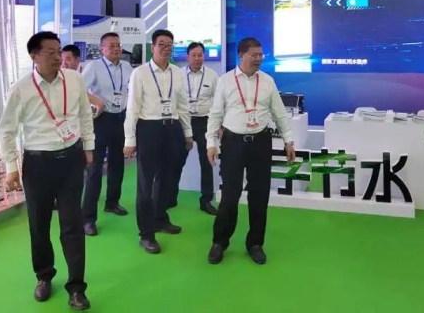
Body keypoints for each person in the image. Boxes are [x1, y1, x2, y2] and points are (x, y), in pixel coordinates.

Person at [0, 31, 94, 310]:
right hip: (37, 164)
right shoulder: (21, 88)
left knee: (72, 225)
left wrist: (88, 147)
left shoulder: (74, 79)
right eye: (50, 52)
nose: (57, 57)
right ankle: (44, 276)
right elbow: (6, 130)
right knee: (39, 225)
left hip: (71, 160)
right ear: (34, 56)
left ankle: (76, 288)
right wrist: (11, 168)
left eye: (59, 51)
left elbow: (84, 114)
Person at [205, 37, 296, 266]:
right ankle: (220, 242)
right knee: (230, 195)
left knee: (259, 194)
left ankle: (255, 243)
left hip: (260, 142)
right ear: (241, 55)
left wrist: (288, 141)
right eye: (254, 55)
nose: (258, 59)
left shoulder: (267, 81)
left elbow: (279, 113)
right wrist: (211, 143)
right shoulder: (225, 81)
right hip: (233, 142)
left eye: (260, 55)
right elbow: (215, 115)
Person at [123, 28, 193, 254]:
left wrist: (187, 133)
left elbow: (183, 105)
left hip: (172, 128)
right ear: (152, 47)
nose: (166, 48)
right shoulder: (140, 73)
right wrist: (130, 139)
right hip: (149, 129)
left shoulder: (177, 73)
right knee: (146, 183)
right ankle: (146, 234)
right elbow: (132, 108)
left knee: (167, 179)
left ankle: (161, 218)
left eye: (169, 45)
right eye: (161, 44)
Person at [81, 32, 133, 236]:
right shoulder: (94, 67)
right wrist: (97, 101)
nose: (116, 48)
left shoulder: (127, 67)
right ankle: (88, 219)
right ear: (102, 49)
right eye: (111, 45)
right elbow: (79, 89)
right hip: (101, 121)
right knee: (95, 170)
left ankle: (112, 203)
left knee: (117, 164)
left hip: (121, 119)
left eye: (118, 45)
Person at [170, 42, 218, 215]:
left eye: (200, 55)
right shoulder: (178, 75)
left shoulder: (212, 76)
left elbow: (218, 102)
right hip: (184, 121)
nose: (197, 59)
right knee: (176, 160)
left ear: (204, 56)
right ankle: (170, 197)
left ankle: (206, 201)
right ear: (187, 57)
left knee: (207, 161)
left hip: (205, 122)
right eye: (194, 55)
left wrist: (218, 124)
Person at [62, 44, 105, 116]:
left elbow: (99, 104)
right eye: (61, 60)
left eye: (68, 59)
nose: (64, 64)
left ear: (77, 60)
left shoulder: (80, 77)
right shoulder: (57, 77)